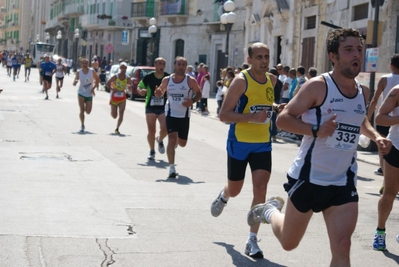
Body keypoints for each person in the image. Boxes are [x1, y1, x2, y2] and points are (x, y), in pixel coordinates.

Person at [246, 28, 391, 266]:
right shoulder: (318, 86)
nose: (356, 54)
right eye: (348, 50)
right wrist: (315, 130)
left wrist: (376, 136)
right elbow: (283, 119)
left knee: (343, 247)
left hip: (343, 182)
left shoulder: (362, 92)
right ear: (333, 56)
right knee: (289, 243)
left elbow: (360, 120)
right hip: (309, 178)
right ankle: (270, 211)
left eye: (358, 49)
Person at [210, 42, 278, 259]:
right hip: (239, 142)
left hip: (262, 144)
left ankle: (252, 240)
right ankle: (224, 196)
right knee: (236, 189)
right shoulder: (241, 81)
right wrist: (251, 117)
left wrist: (276, 108)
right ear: (249, 60)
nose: (264, 61)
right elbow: (223, 115)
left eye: (266, 56)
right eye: (259, 57)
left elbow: (265, 102)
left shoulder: (272, 80)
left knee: (260, 189)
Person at [154, 56, 202, 178]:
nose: (181, 67)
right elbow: (160, 91)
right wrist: (158, 93)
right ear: (174, 66)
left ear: (186, 67)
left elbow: (199, 93)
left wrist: (192, 101)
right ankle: (171, 168)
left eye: (183, 65)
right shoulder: (167, 80)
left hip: (184, 115)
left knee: (182, 143)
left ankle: (174, 142)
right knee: (171, 140)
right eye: (179, 64)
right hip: (170, 114)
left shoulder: (190, 81)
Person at [373, 84, 399, 251]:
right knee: (389, 193)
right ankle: (380, 231)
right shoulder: (397, 91)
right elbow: (380, 118)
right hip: (396, 147)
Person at [367, 54, 399, 184]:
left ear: (391, 65)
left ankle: (385, 174)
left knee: (383, 149)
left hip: (386, 115)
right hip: (393, 117)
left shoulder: (385, 79)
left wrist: (368, 118)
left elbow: (374, 99)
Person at [137, 57, 170, 160]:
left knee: (165, 129)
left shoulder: (168, 77)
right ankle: (152, 151)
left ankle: (159, 140)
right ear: (155, 65)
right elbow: (139, 86)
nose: (161, 66)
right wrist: (140, 91)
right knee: (151, 130)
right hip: (150, 106)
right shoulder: (149, 77)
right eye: (159, 63)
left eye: (163, 64)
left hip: (163, 107)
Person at [73, 58, 100, 133]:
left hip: (89, 94)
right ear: (81, 64)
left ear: (88, 64)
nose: (84, 65)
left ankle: (84, 109)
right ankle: (82, 125)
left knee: (88, 111)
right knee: (81, 110)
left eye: (86, 63)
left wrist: (93, 89)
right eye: (83, 63)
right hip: (81, 93)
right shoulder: (79, 72)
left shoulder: (91, 71)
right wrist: (75, 82)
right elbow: (75, 80)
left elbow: (97, 80)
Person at [106, 62, 131, 135]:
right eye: (122, 67)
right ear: (120, 68)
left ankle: (117, 128)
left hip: (122, 97)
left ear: (126, 68)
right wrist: (112, 89)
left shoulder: (127, 78)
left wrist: (128, 89)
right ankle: (112, 111)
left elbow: (130, 88)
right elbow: (107, 83)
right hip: (114, 98)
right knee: (114, 116)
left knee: (121, 113)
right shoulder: (115, 76)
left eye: (125, 67)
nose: (123, 69)